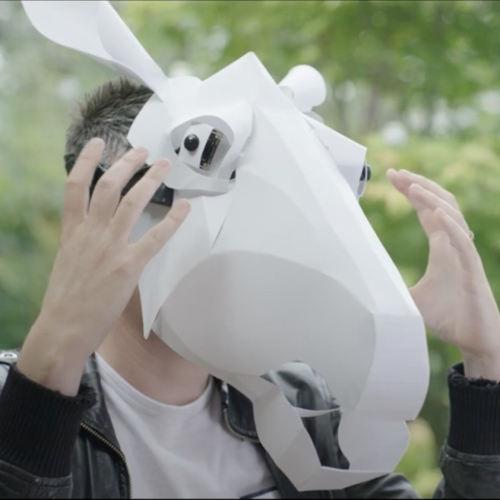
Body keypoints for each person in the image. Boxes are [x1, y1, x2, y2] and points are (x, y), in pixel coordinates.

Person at [0, 78, 499, 500]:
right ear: (108, 206)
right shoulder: (12, 398)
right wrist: (47, 372)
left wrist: (486, 361)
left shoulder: (302, 406)